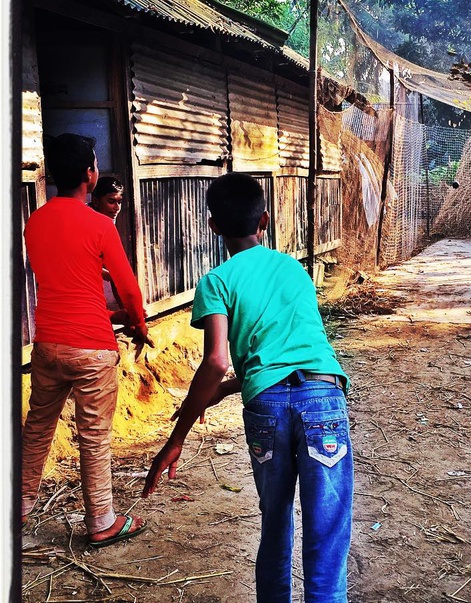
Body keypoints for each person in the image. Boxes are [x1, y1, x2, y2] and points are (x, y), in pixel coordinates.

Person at [142, 173, 353, 603]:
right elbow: (292, 358)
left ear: (213, 226)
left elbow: (218, 360)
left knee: (274, 523)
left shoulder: (216, 282)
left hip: (267, 408)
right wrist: (221, 389)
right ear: (266, 220)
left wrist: (177, 436)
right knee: (327, 531)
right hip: (323, 399)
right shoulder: (293, 269)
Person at [22, 133, 153, 547]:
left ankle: (18, 508)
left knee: (38, 427)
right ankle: (101, 522)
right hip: (92, 349)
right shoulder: (99, 225)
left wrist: (119, 316)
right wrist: (139, 324)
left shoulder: (35, 222)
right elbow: (129, 290)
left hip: (47, 345)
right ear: (89, 174)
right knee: (94, 436)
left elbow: (67, 283)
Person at [89, 176, 125, 312]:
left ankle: (129, 315)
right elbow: (84, 262)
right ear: (96, 201)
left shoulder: (107, 216)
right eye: (111, 202)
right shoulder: (88, 221)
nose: (116, 208)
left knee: (119, 275)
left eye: (119, 202)